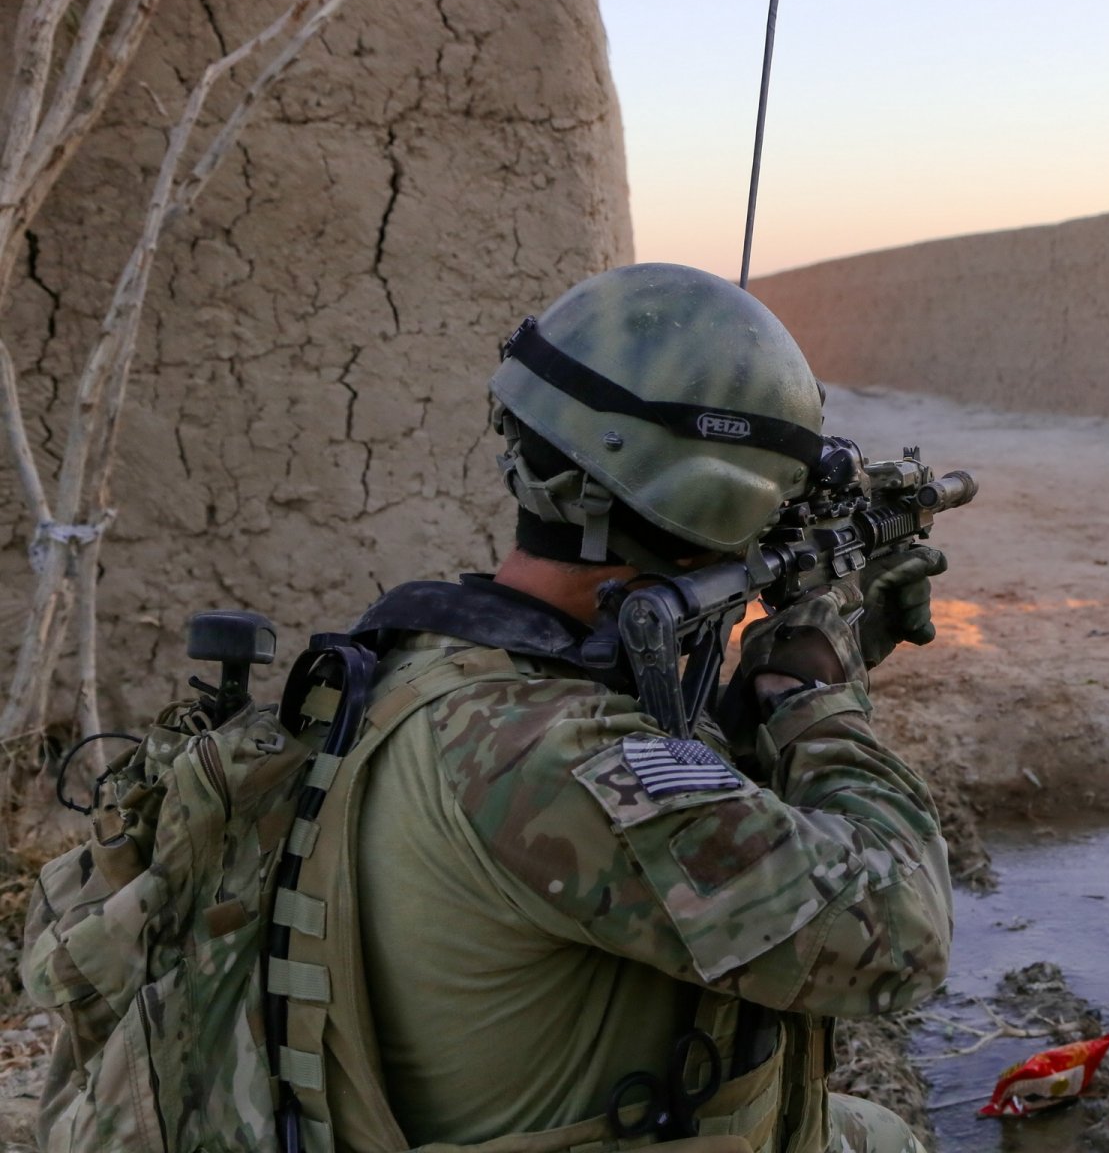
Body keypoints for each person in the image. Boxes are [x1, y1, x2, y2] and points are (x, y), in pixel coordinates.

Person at [275, 263, 952, 1153]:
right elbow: (900, 937)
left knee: (870, 1133)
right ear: (717, 500)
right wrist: (818, 700)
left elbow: (689, 819)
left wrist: (764, 694)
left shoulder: (441, 664)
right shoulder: (547, 752)